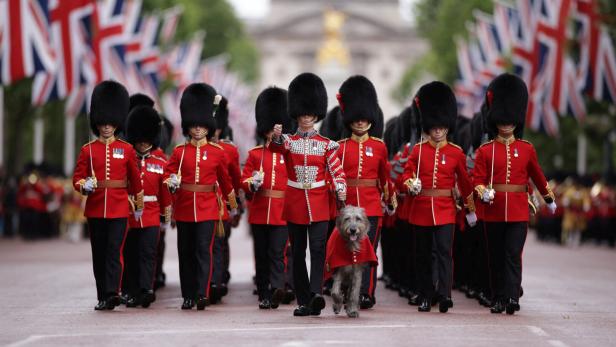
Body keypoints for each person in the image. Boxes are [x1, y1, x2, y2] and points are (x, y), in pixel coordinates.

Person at [473, 73, 557, 315]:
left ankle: (511, 297)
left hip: (519, 209)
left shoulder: (526, 149)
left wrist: (549, 197)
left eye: (511, 120)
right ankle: (497, 297)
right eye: (503, 119)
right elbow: (477, 180)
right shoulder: (486, 150)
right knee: (496, 257)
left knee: (512, 255)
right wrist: (482, 192)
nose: (507, 123)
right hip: (494, 209)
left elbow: (538, 175)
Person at [269, 72, 346, 317]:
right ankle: (303, 300)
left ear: (316, 115)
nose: (306, 118)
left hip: (319, 202)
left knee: (318, 249)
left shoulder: (326, 143)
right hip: (295, 203)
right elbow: (276, 147)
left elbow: (336, 170)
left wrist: (342, 190)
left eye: (310, 115)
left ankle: (315, 294)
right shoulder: (289, 142)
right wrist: (278, 135)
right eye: (302, 114)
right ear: (297, 114)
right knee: (298, 252)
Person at [402, 81, 476, 313]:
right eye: (434, 126)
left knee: (444, 253)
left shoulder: (455, 152)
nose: (437, 130)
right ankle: (425, 295)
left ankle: (444, 294)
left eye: (441, 126)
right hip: (421, 208)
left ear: (447, 126)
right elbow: (406, 174)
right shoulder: (418, 151)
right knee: (422, 256)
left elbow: (464, 183)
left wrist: (471, 209)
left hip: (445, 209)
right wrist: (410, 184)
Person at [163, 83, 237, 311]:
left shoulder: (217, 153)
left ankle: (202, 294)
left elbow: (225, 181)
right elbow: (167, 174)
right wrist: (171, 182)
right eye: (193, 126)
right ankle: (188, 295)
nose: (197, 130)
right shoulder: (179, 152)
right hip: (184, 208)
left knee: (203, 252)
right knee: (185, 254)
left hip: (207, 209)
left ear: (208, 126)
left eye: (201, 126)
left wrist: (232, 206)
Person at [72, 80, 144, 311]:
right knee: (99, 253)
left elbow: (135, 180)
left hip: (119, 207)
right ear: (97, 123)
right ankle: (102, 294)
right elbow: (77, 179)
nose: (106, 127)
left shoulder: (127, 149)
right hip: (95, 207)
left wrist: (139, 204)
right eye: (102, 123)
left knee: (114, 251)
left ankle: (113, 292)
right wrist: (85, 186)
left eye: (110, 123)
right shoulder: (88, 150)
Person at [336, 75, 395, 309]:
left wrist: (389, 200)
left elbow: (385, 177)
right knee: (347, 250)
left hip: (371, 206)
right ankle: (350, 289)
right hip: (347, 207)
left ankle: (366, 292)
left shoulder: (379, 146)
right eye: (356, 119)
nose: (360, 123)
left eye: (364, 118)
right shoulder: (340, 147)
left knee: (368, 250)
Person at [242, 86, 293, 309]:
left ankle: (277, 287)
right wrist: (251, 184)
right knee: (261, 255)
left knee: (277, 252)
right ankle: (264, 293)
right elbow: (244, 180)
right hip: (260, 209)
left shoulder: (289, 153)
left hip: (282, 212)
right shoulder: (255, 154)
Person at [122, 105, 172, 308]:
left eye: (146, 139)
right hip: (130, 213)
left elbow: (165, 192)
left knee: (148, 253)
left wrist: (165, 217)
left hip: (151, 214)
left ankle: (146, 288)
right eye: (140, 140)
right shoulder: (128, 159)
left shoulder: (161, 162)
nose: (143, 143)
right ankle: (130, 290)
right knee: (131, 253)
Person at [210, 97, 242, 303]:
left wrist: (235, 206)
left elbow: (235, 180)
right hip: (199, 204)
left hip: (221, 205)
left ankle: (217, 281)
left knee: (220, 244)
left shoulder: (229, 150)